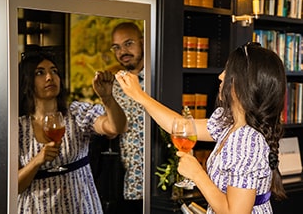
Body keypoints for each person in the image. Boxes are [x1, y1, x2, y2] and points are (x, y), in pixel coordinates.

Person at [115, 42, 287, 213]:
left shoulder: (246, 140)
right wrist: (140, 96)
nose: (221, 76)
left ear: (244, 83)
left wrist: (197, 173)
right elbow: (181, 125)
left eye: (228, 71)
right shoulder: (229, 124)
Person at [17, 48, 127, 214]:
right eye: (39, 73)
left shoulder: (76, 113)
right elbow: (13, 186)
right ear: (26, 83)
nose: (49, 77)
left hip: (80, 206)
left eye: (54, 71)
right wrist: (37, 161)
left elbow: (116, 127)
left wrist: (107, 98)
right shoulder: (17, 127)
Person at [110, 22, 144, 213]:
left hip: (155, 182)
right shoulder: (116, 84)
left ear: (142, 42)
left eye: (128, 43)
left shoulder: (157, 78)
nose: (123, 51)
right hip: (125, 183)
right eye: (117, 47)